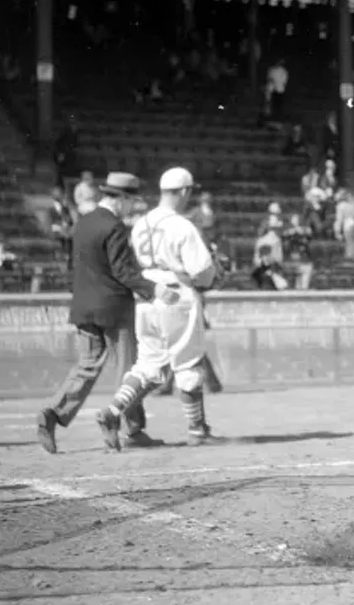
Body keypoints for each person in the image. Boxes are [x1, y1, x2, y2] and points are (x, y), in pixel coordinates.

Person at [37, 173, 167, 454]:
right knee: (129, 369)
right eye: (131, 201)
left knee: (87, 365)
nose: (132, 208)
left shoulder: (83, 223)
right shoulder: (115, 227)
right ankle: (131, 428)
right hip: (114, 309)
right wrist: (154, 289)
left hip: (84, 306)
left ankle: (53, 412)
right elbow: (123, 272)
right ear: (121, 199)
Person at [95, 167, 222, 449]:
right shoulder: (182, 225)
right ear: (185, 192)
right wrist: (212, 276)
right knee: (188, 363)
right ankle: (198, 430)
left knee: (148, 365)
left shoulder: (141, 223)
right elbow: (202, 272)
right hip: (176, 294)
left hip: (146, 294)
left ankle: (113, 412)